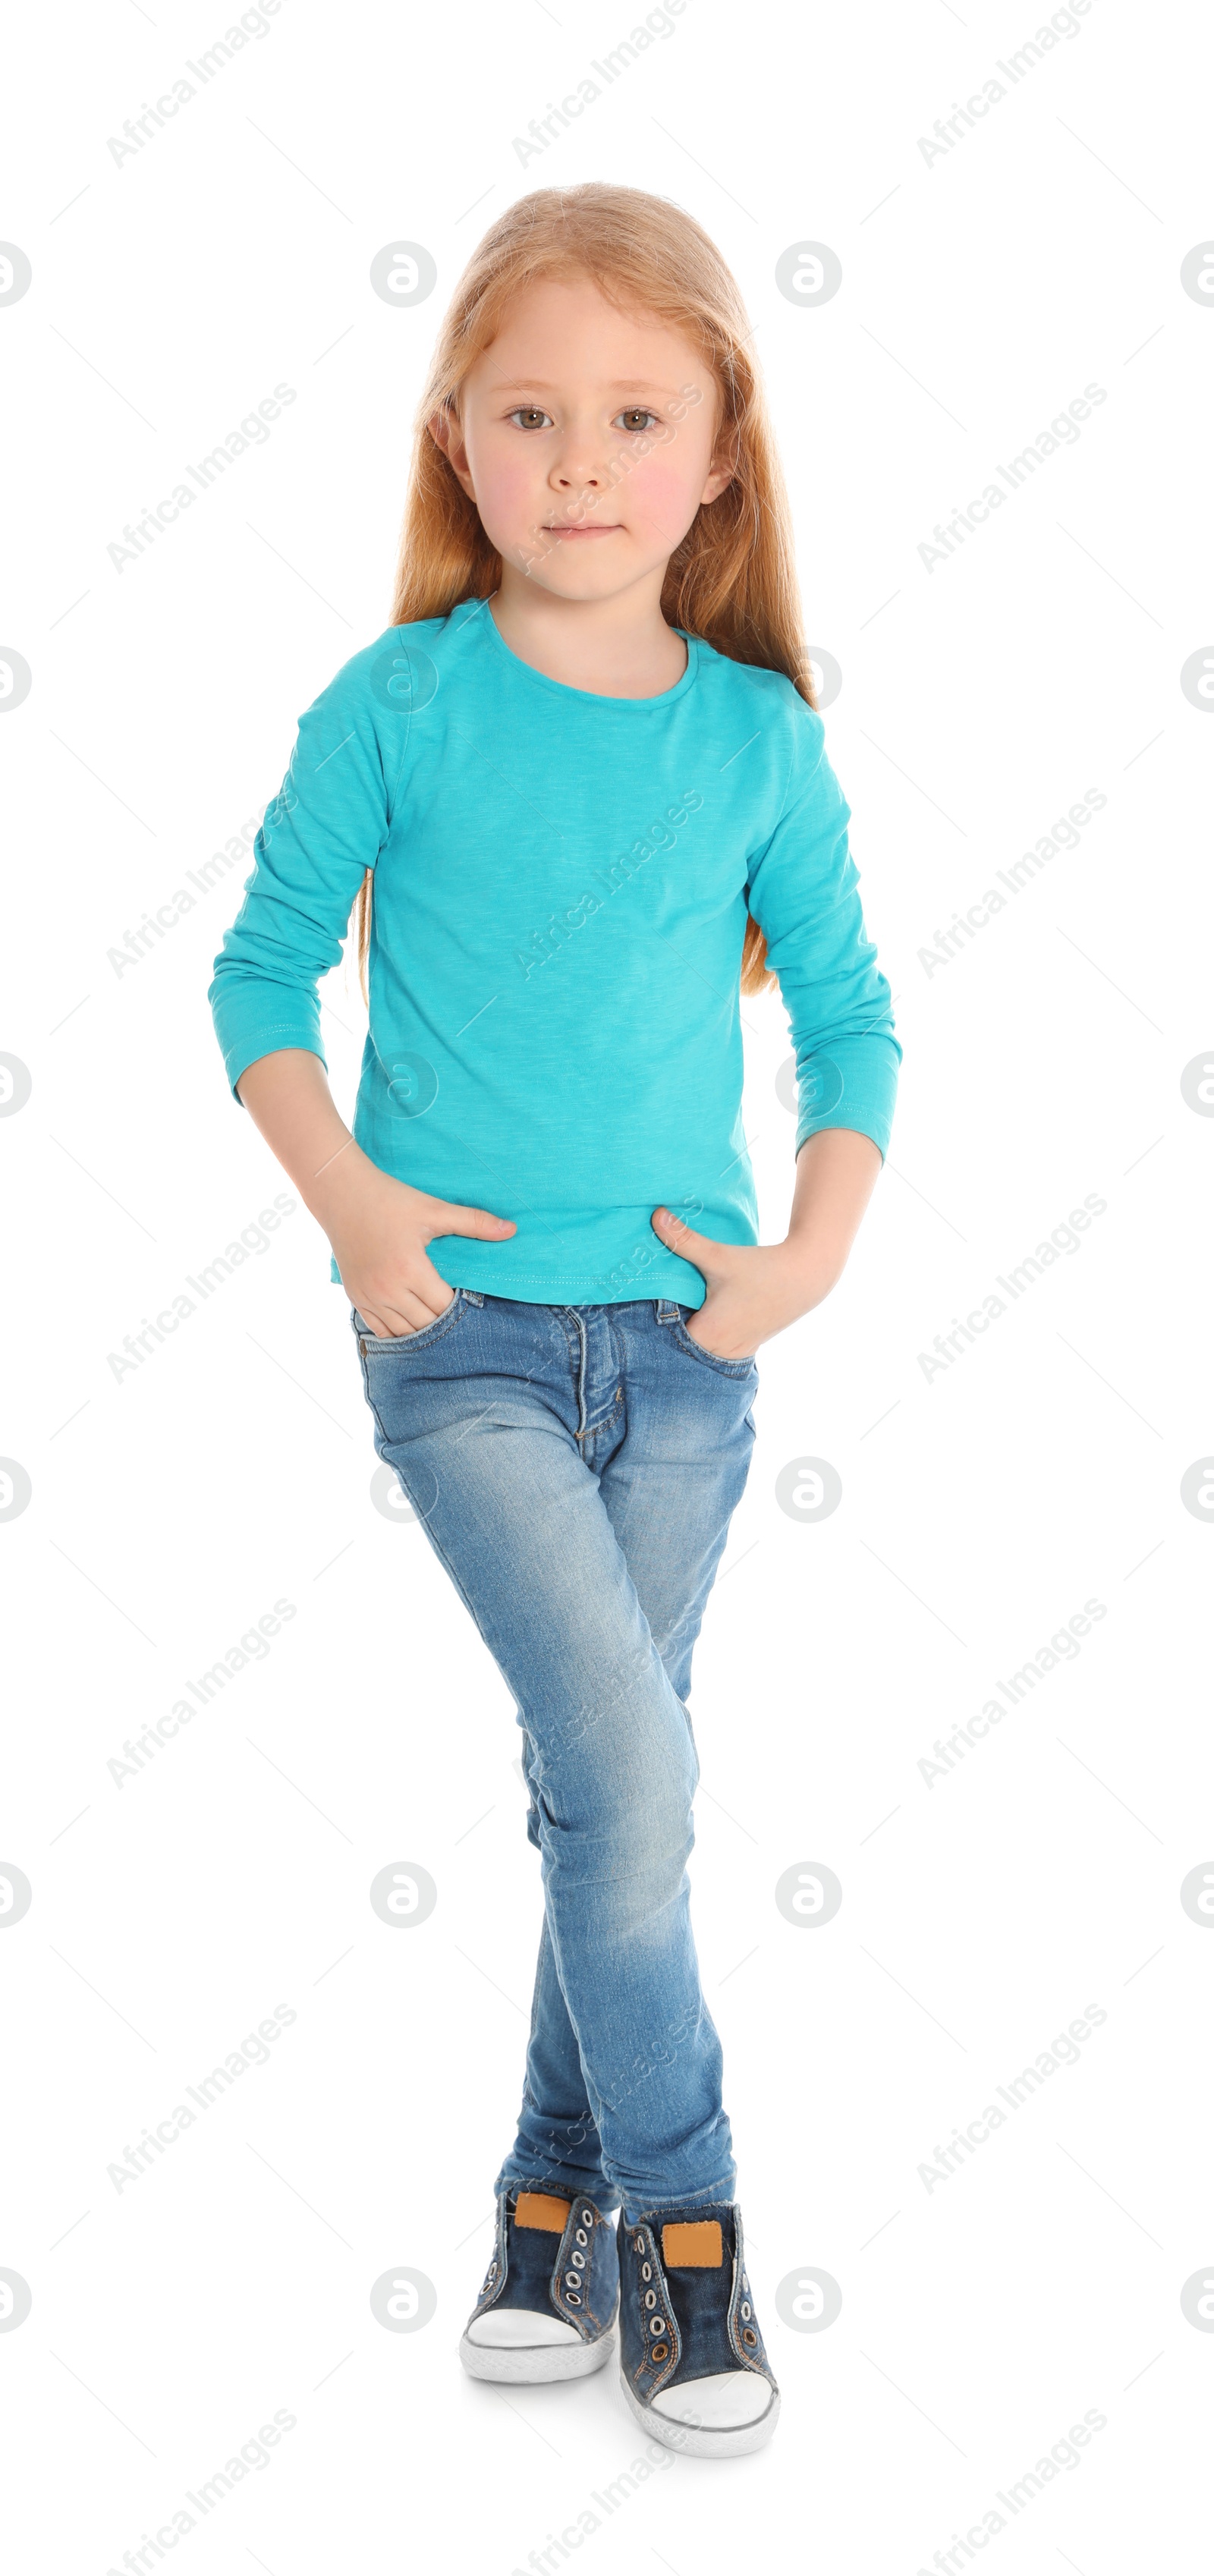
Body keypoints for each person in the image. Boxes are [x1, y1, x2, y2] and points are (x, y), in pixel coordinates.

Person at [209, 182, 900, 2459]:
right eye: (531, 413)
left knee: (617, 1805)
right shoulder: (395, 703)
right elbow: (257, 978)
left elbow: (861, 1031)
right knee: (631, 1780)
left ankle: (541, 2192)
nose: (580, 459)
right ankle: (688, 2241)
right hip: (465, 1339)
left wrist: (803, 1257)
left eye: (632, 416)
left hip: (688, 1354)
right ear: (459, 446)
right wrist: (353, 1199)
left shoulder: (755, 736)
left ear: (717, 464)